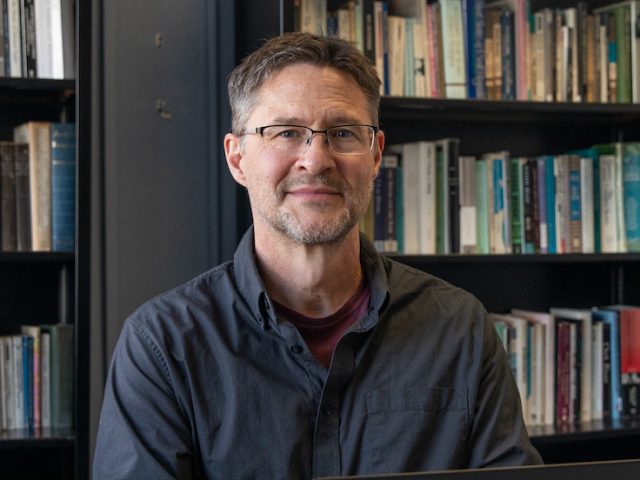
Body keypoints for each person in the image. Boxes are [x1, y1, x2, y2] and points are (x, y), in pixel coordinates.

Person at [93, 32, 542, 479]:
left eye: (343, 133)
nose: (316, 159)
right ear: (237, 159)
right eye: (286, 132)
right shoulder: (164, 345)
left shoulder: (458, 326)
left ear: (375, 155)